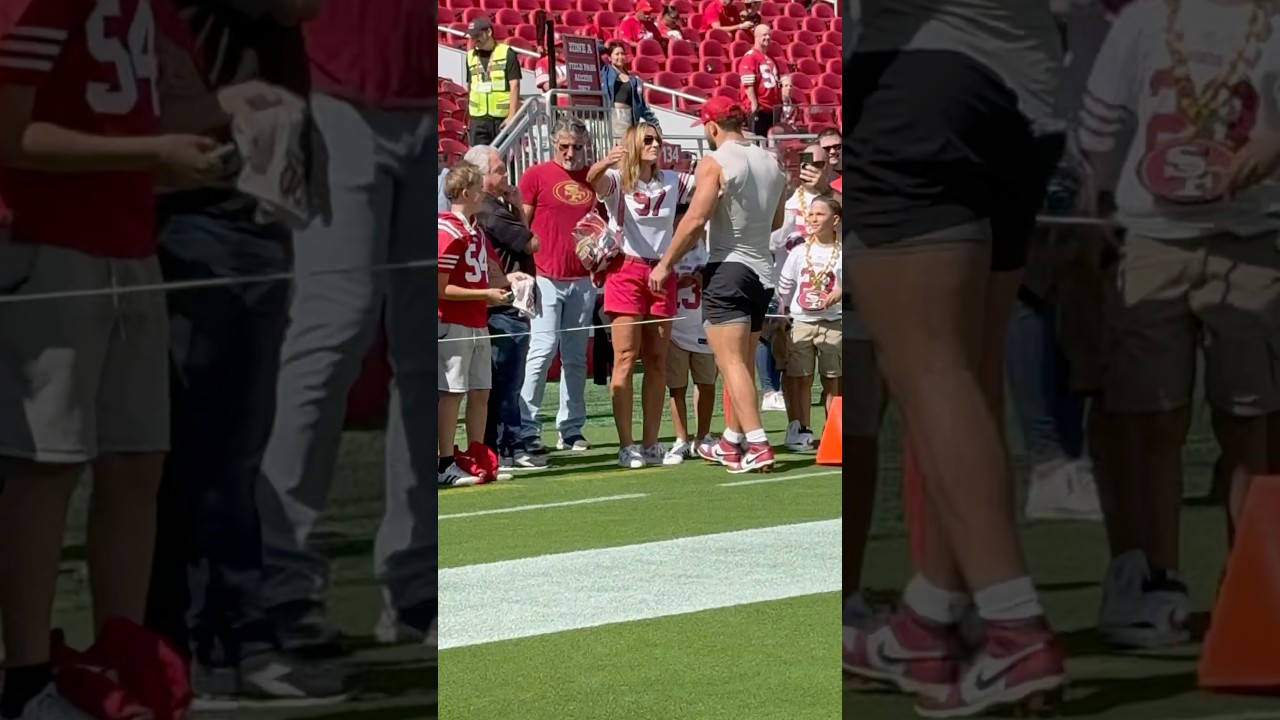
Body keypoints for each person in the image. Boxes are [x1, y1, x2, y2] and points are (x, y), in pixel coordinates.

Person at [841, 0, 1068, 715]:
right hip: (1031, 85)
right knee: (964, 371)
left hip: (917, 82)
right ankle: (930, 616)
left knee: (929, 370)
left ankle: (1012, 625)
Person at [0, 1, 225, 716]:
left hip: (131, 242)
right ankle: (27, 673)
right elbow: (11, 133)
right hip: (48, 240)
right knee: (48, 460)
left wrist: (212, 136)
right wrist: (152, 152)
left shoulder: (154, 10)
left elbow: (192, 109)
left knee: (136, 459)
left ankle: (120, 651)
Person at [139, 0, 350, 705]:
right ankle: (209, 645)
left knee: (225, 443)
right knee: (211, 444)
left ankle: (212, 641)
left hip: (238, 195)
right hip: (208, 195)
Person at [1078, 0, 1280, 649]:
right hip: (1151, 238)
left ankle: (1252, 585)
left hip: (1253, 241)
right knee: (1150, 419)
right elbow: (1102, 120)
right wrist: (1095, 201)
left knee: (1251, 423)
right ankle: (1159, 581)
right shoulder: (1144, 20)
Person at [257, 0, 438, 655]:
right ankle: (283, 581)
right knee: (331, 332)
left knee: (423, 358)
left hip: (425, 103)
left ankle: (416, 584)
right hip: (337, 93)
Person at [651, 97, 788, 474]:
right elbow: (776, 221)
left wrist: (666, 263)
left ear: (712, 127)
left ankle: (757, 443)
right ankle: (732, 439)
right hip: (762, 270)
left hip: (729, 266)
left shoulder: (716, 161)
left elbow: (696, 219)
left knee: (730, 365)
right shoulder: (772, 161)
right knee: (741, 363)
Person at [588, 122, 695, 468]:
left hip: (663, 270)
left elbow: (710, 188)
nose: (656, 144)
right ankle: (626, 444)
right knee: (624, 356)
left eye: (658, 139)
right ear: (633, 144)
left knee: (657, 359)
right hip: (627, 269)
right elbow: (593, 180)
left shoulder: (672, 179)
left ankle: (651, 441)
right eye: (648, 139)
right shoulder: (619, 179)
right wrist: (607, 161)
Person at [438, 163, 528, 486]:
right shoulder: (447, 231)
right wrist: (486, 293)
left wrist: (508, 281)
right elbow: (439, 287)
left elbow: (488, 269)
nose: (483, 194)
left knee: (481, 390)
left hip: (476, 319)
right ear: (465, 193)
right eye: (478, 188)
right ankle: (444, 461)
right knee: (452, 391)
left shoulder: (473, 229)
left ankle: (478, 456)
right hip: (455, 321)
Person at [518, 118, 599, 455]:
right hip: (545, 275)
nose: (570, 153)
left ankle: (571, 429)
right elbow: (520, 225)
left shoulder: (594, 179)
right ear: (554, 145)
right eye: (564, 146)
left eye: (577, 147)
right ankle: (526, 427)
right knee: (541, 350)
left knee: (576, 357)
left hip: (582, 277)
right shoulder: (535, 175)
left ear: (586, 147)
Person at [466, 145, 547, 471]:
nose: (505, 175)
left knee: (505, 380)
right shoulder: (489, 209)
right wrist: (517, 207)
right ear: (483, 175)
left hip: (510, 301)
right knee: (505, 381)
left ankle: (504, 446)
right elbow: (530, 242)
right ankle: (505, 447)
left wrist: (514, 206)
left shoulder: (494, 206)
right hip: (503, 305)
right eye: (499, 169)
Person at [776, 195, 843, 448]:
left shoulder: (842, 252)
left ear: (835, 220)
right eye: (811, 214)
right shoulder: (799, 251)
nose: (813, 218)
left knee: (832, 378)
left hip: (832, 322)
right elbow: (785, 285)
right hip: (801, 321)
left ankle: (833, 430)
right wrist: (782, 312)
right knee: (801, 377)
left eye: (820, 214)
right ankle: (802, 428)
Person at [665, 234, 718, 464]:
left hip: (704, 327)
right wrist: (678, 283)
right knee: (677, 387)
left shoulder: (712, 251)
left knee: (706, 384)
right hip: (676, 329)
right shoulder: (667, 252)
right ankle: (681, 439)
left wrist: (703, 279)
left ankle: (703, 436)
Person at [465, 15, 522, 146]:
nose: (474, 39)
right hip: (478, 120)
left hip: (501, 119)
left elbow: (515, 85)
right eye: (471, 36)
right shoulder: (469, 56)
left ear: (489, 32)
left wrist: (512, 116)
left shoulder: (507, 53)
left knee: (503, 160)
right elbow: (470, 86)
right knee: (479, 163)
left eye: (477, 35)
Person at [600, 42, 659, 142]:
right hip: (614, 116)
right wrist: (605, 48)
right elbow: (595, 50)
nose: (620, 57)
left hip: (629, 118)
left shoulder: (633, 80)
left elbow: (641, 104)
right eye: (617, 54)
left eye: (622, 54)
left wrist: (655, 124)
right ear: (610, 58)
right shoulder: (605, 72)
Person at [737, 24, 780, 137]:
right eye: (764, 35)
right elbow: (748, 82)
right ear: (756, 37)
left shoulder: (770, 58)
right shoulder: (750, 57)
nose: (767, 37)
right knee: (758, 141)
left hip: (771, 108)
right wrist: (754, 104)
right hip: (759, 108)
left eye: (769, 35)